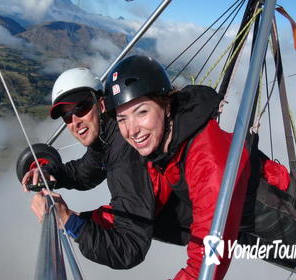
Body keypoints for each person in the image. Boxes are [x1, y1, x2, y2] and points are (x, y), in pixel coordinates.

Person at [104, 55, 251, 280]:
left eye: (142, 112)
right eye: (122, 119)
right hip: (239, 223)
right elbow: (142, 201)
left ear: (166, 105)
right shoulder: (167, 147)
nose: (131, 130)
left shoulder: (207, 163)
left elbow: (205, 268)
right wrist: (78, 221)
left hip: (280, 219)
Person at [22, 67, 155, 269]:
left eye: (81, 108)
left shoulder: (125, 152)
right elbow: (85, 173)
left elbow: (129, 250)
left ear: (101, 105)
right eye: (67, 116)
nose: (75, 121)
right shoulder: (106, 137)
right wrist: (48, 173)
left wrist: (68, 221)